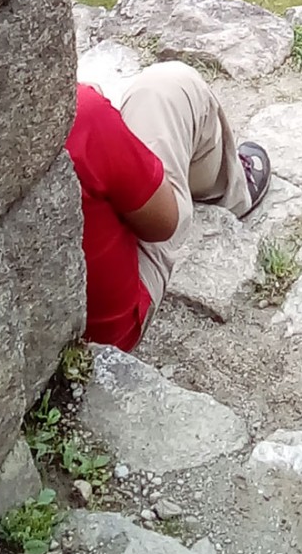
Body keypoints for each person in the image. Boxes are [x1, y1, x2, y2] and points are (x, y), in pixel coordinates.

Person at [65, 59, 271, 351]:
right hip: (106, 335)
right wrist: (104, 130)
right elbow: (162, 223)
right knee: (165, 88)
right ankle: (231, 189)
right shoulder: (78, 114)